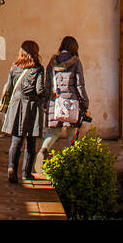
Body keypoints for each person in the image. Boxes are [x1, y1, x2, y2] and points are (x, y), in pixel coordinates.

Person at [0, 40, 46, 184]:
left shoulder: (14, 67)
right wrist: (48, 95)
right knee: (31, 141)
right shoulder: (38, 69)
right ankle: (26, 173)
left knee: (16, 140)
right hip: (31, 107)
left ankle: (12, 167)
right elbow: (40, 90)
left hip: (16, 105)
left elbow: (9, 88)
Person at [38, 35, 89, 172]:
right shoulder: (76, 63)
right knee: (72, 134)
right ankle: (70, 164)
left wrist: (46, 103)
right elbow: (80, 86)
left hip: (55, 102)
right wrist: (85, 104)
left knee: (53, 133)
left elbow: (47, 85)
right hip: (71, 103)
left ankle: (44, 150)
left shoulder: (52, 62)